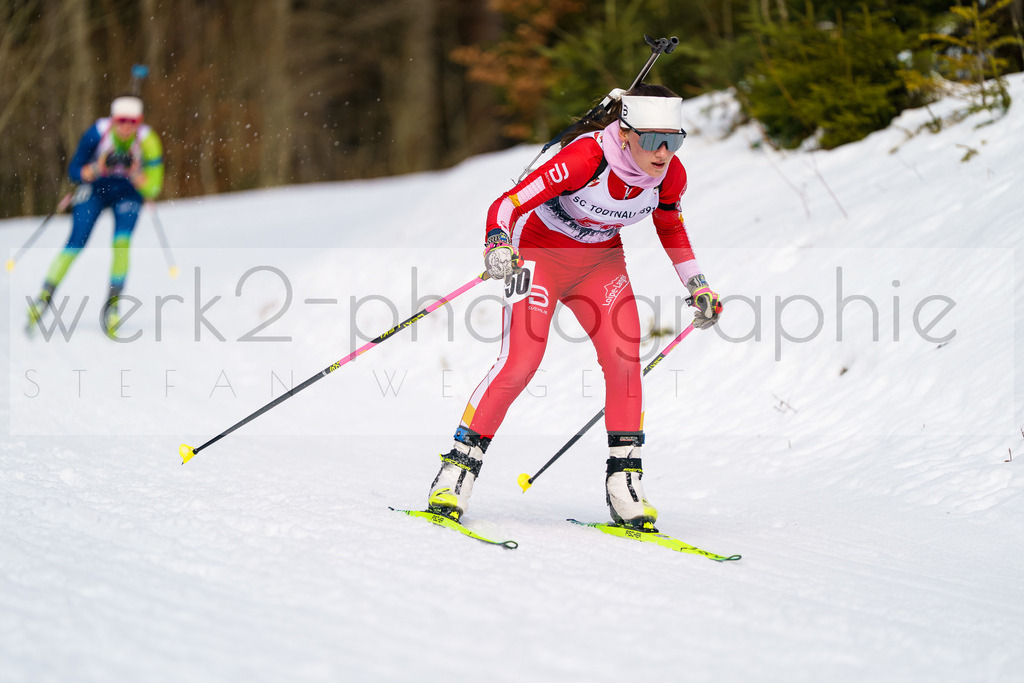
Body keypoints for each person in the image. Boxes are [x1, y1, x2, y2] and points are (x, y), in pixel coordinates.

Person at [426, 83, 721, 530]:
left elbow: (671, 230)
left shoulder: (671, 175)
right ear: (624, 134)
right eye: (653, 140)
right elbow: (507, 203)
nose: (664, 153)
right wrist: (497, 242)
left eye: (674, 140)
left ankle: (624, 483)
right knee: (521, 361)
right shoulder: (587, 158)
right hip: (539, 254)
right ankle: (457, 471)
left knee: (625, 359)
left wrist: (698, 285)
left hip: (600, 262)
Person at [27, 94, 164, 337]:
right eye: (121, 120)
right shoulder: (96, 133)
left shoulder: (148, 141)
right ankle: (44, 296)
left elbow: (153, 188)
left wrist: (135, 174)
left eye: (131, 121)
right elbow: (73, 171)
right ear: (112, 120)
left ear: (139, 121)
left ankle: (112, 307)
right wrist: (95, 169)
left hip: (128, 194)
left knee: (122, 243)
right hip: (96, 190)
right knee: (76, 241)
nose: (125, 127)